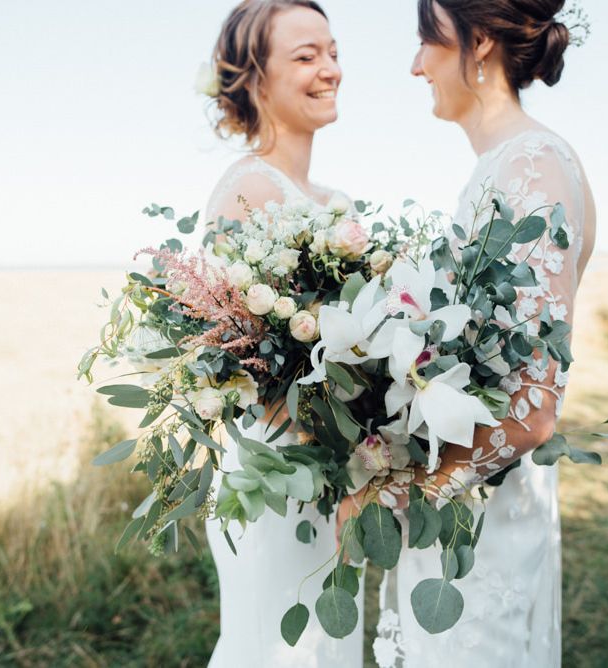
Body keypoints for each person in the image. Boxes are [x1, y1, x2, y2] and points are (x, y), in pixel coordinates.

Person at [338, 1, 596, 666]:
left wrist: (396, 494)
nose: (416, 64)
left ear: (478, 43)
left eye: (427, 41)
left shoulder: (532, 166)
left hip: (479, 525)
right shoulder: (504, 168)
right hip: (465, 506)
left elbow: (533, 408)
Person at [201, 2, 364, 666]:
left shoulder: (335, 203)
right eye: (305, 56)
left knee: (332, 646)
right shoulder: (248, 192)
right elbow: (231, 361)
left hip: (335, 474)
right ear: (254, 79)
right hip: (274, 480)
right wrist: (347, 433)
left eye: (332, 51)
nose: (329, 70)